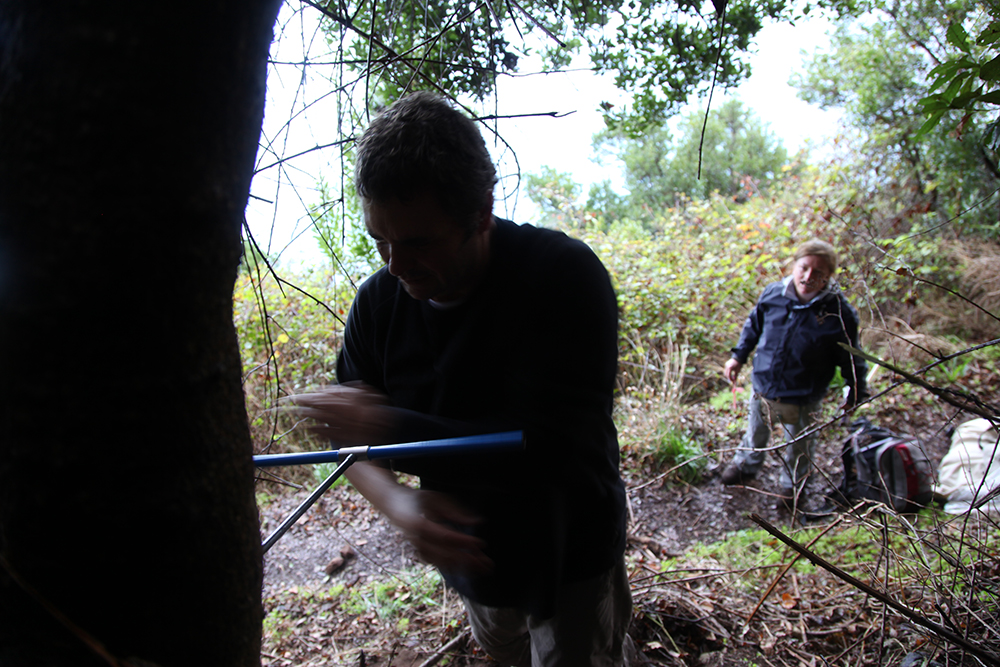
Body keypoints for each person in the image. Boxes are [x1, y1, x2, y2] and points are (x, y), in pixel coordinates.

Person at [288, 91, 631, 667]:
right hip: (474, 557)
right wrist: (398, 503)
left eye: (418, 241)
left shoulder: (561, 277)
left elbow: (549, 447)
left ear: (480, 214)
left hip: (568, 548)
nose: (395, 264)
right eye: (380, 240)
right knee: (504, 654)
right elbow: (351, 443)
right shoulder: (378, 304)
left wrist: (387, 424)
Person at [719, 239, 869, 507]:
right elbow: (753, 325)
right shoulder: (773, 294)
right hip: (764, 387)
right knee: (756, 433)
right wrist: (738, 357)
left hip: (804, 395)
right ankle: (746, 466)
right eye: (804, 268)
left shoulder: (839, 313)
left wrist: (856, 390)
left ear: (828, 277)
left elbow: (851, 357)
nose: (808, 277)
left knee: (799, 448)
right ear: (795, 266)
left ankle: (792, 490)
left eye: (818, 273)